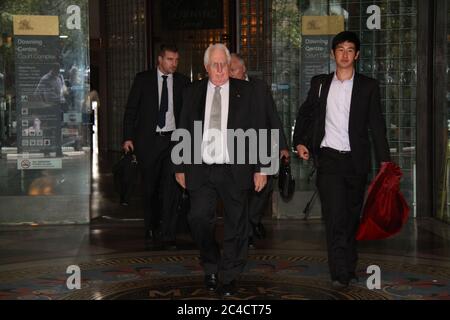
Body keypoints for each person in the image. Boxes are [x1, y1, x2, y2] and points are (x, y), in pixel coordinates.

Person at [293, 31, 390, 289]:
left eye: (350, 50)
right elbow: (305, 114)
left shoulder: (368, 86)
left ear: (356, 55)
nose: (345, 54)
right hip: (329, 161)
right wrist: (299, 142)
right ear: (332, 54)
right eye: (340, 49)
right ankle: (340, 272)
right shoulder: (320, 84)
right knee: (335, 217)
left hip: (356, 163)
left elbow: (376, 125)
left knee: (350, 218)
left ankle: (349, 262)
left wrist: (385, 163)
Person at [174, 44, 267, 296]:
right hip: (200, 168)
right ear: (206, 68)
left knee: (237, 225)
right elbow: (182, 127)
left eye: (223, 64)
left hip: (234, 169)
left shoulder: (247, 91)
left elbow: (261, 127)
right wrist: (179, 165)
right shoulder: (192, 92)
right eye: (214, 64)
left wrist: (263, 167)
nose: (219, 69)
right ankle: (211, 261)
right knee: (198, 219)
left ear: (229, 65)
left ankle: (228, 275)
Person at [123, 44, 190, 249]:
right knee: (150, 187)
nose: (174, 64)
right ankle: (151, 225)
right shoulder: (143, 79)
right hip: (148, 141)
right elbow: (131, 110)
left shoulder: (182, 82)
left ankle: (167, 231)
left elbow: (187, 113)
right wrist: (127, 137)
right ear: (160, 60)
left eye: (176, 60)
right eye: (170, 59)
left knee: (171, 186)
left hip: (172, 141)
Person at [229, 53, 290, 248]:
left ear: (243, 69)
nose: (229, 74)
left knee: (263, 190)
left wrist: (282, 146)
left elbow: (272, 116)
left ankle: (252, 221)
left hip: (262, 144)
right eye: (227, 70)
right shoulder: (224, 89)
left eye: (233, 70)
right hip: (236, 147)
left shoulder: (259, 87)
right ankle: (246, 231)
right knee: (241, 191)